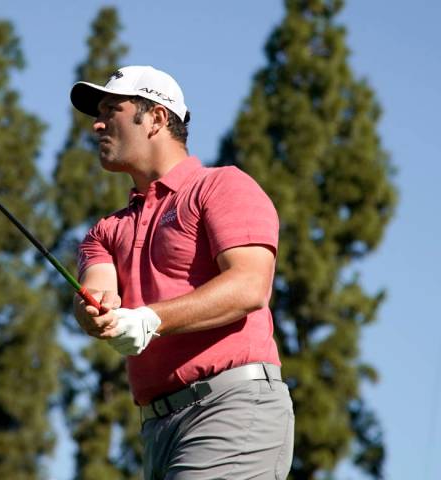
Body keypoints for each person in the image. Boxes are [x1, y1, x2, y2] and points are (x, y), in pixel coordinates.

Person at [69, 65, 294, 479]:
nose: (97, 123)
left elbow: (249, 287)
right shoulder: (104, 231)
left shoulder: (222, 186)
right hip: (158, 429)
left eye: (111, 109)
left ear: (155, 118)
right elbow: (97, 290)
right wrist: (97, 312)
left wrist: (149, 319)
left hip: (232, 406)